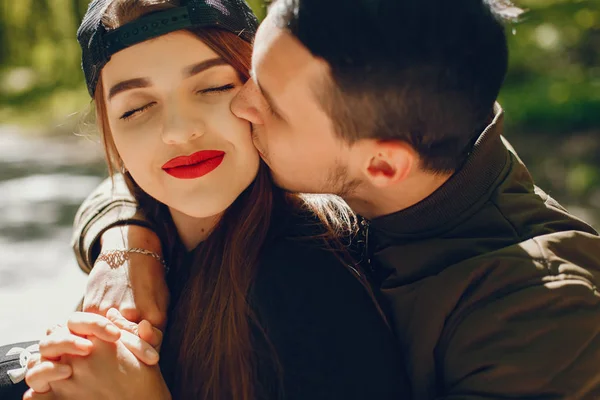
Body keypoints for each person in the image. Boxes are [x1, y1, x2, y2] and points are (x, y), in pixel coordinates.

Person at [62, 0, 600, 398]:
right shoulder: (390, 142)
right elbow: (160, 173)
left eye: (263, 98)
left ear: (383, 165)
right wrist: (128, 241)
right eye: (248, 75)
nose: (238, 107)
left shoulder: (540, 318)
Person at [0, 0, 411, 399]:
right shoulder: (150, 237)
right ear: (111, 135)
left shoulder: (314, 282)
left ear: (259, 90)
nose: (178, 131)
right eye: (137, 108)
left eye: (213, 87)